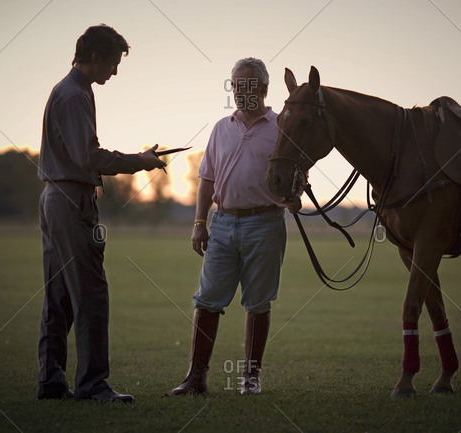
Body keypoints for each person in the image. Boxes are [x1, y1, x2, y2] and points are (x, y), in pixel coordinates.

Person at [37, 24, 166, 403]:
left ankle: (51, 380)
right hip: (71, 202)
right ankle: (93, 384)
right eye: (112, 63)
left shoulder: (68, 90)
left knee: (59, 295)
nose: (114, 72)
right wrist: (140, 161)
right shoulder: (75, 95)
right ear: (95, 58)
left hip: (54, 199)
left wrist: (137, 159)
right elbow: (89, 157)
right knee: (91, 291)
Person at [172, 57, 301, 396]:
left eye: (247, 85)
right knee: (207, 300)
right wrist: (200, 223)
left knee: (258, 303)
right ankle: (195, 378)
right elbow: (206, 180)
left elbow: (295, 173)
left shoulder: (280, 126)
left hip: (266, 223)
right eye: (235, 86)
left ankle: (250, 379)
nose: (241, 92)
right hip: (223, 223)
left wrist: (294, 192)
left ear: (263, 88)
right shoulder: (220, 127)